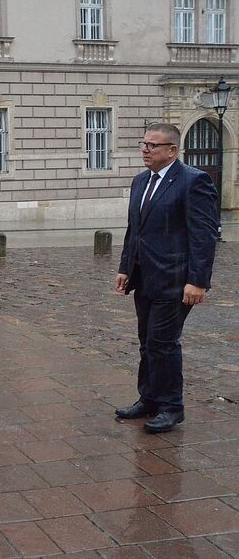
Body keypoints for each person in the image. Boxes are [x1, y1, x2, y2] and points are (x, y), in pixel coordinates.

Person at [115, 123, 219, 433]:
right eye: (143, 144)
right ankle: (149, 398)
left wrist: (198, 281)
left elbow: (203, 235)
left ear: (172, 150)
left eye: (153, 145)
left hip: (176, 280)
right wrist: (125, 268)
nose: (145, 150)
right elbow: (134, 229)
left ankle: (172, 407)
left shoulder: (193, 182)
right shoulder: (140, 181)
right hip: (145, 277)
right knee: (147, 342)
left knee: (164, 343)